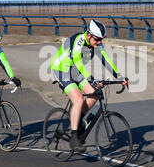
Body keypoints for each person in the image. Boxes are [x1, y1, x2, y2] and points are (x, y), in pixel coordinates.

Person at [50, 19, 129, 152]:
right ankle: (74, 138)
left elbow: (106, 60)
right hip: (62, 70)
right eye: (97, 39)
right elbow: (77, 62)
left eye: (101, 39)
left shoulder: (97, 44)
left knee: (95, 94)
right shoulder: (78, 40)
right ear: (89, 35)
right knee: (79, 99)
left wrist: (119, 76)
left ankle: (77, 119)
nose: (99, 42)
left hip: (76, 71)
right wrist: (91, 79)